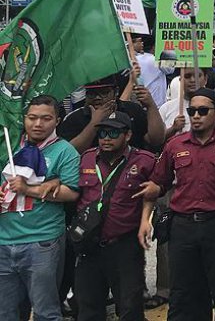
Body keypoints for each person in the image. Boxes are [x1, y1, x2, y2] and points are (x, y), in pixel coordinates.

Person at [135, 88, 215, 321]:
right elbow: (158, 183)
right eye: (193, 110)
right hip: (183, 227)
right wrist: (146, 215)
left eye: (203, 110)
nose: (197, 115)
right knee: (184, 293)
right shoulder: (175, 145)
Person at [0, 95, 81, 320]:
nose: (38, 124)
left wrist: (30, 189)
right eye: (32, 118)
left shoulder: (65, 151)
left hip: (41, 241)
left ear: (57, 120)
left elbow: (71, 192)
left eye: (46, 118)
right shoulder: (10, 144)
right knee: (6, 313)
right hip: (3, 241)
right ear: (24, 119)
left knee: (46, 312)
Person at [74, 112, 156, 321]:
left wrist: (146, 219)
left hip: (124, 244)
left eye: (113, 132)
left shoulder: (145, 161)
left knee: (130, 307)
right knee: (88, 308)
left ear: (127, 135)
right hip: (89, 245)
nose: (106, 138)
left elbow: (154, 193)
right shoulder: (87, 158)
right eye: (102, 133)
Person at [58, 74, 164, 153]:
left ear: (116, 92)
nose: (97, 98)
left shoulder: (133, 110)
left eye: (104, 93)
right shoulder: (75, 117)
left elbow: (156, 140)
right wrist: (94, 123)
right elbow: (68, 153)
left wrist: (151, 106)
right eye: (92, 94)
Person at [158, 67, 208, 138]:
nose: (192, 80)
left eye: (197, 76)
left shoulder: (213, 108)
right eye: (187, 76)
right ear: (180, 79)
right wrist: (173, 129)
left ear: (205, 79)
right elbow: (156, 140)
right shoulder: (166, 108)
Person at [132, 34, 174, 106]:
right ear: (154, 47)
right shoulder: (156, 61)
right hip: (156, 103)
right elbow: (170, 70)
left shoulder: (135, 59)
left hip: (140, 101)